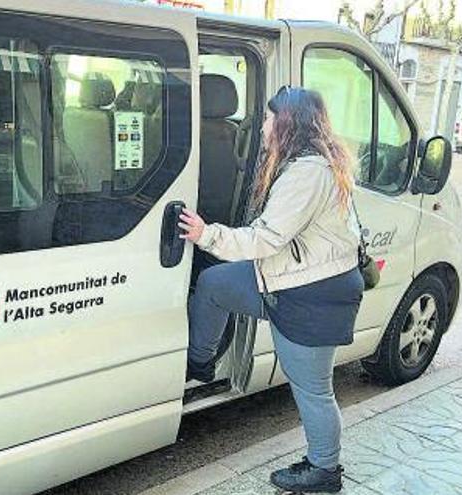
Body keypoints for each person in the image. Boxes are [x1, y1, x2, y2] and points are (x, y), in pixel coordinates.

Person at [178, 86, 364, 494]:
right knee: (214, 284)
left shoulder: (307, 174)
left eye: (267, 118)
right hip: (286, 278)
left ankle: (324, 471)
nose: (261, 125)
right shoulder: (308, 165)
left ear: (287, 124)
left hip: (312, 294)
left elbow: (266, 239)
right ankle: (201, 361)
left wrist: (206, 235)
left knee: (313, 389)